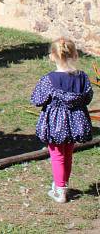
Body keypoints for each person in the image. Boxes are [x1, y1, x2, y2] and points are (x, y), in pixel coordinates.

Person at [31, 38, 93, 204]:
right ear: (75, 55)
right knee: (67, 155)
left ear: (52, 56)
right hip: (75, 123)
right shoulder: (82, 78)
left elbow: (37, 99)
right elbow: (88, 97)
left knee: (57, 155)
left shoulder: (49, 79)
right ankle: (62, 184)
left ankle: (60, 190)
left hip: (56, 123)